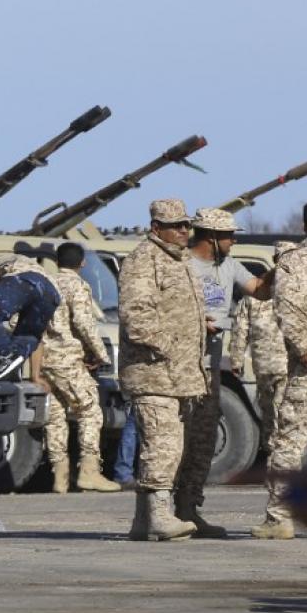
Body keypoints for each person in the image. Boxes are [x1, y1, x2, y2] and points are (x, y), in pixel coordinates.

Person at [178, 207, 273, 535]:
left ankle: (188, 510)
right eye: (230, 235)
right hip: (180, 366)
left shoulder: (228, 265)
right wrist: (195, 324)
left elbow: (259, 289)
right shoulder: (181, 265)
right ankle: (162, 512)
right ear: (211, 237)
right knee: (175, 441)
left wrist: (279, 270)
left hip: (209, 365)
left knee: (203, 441)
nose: (234, 240)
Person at [118, 198, 207, 541]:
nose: (185, 231)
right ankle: (158, 515)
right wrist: (171, 346)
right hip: (154, 372)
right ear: (157, 228)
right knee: (163, 445)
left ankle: (144, 521)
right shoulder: (145, 260)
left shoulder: (178, 261)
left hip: (177, 375)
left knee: (165, 444)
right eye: (177, 226)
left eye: (187, 225)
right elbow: (137, 318)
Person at [42, 243, 120, 493]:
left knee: (55, 417)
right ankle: (89, 470)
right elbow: (84, 323)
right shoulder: (77, 285)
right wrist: (100, 353)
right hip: (68, 358)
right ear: (82, 263)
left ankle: (60, 475)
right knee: (90, 411)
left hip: (44, 358)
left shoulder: (46, 283)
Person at [252, 238, 307, 540]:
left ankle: (279, 518)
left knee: (289, 442)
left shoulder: (295, 261)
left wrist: (303, 349)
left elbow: (289, 308)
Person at [228, 241, 292, 452]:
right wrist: (236, 360)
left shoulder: (289, 295)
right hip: (274, 366)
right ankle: (276, 453)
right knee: (275, 412)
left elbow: (240, 331)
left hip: (277, 366)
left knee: (276, 411)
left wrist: (236, 360)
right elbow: (240, 330)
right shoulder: (259, 297)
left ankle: (278, 453)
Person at [0, 252, 62, 380]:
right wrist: (35, 376)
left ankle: (5, 355)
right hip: (52, 292)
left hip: (24, 280)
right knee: (28, 335)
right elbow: (37, 340)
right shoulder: (20, 264)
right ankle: (10, 368)